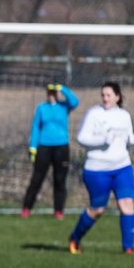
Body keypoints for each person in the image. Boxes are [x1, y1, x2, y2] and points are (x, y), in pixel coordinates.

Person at [68, 81, 134, 255]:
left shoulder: (124, 116)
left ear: (117, 97)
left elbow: (127, 138)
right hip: (97, 169)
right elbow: (81, 138)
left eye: (109, 95)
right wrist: (102, 140)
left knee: (127, 204)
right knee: (97, 209)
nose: (105, 98)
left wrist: (131, 140)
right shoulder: (94, 114)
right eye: (103, 95)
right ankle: (75, 238)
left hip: (122, 167)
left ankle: (128, 248)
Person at [21, 83, 80, 219]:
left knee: (60, 180)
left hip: (61, 147)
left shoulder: (64, 106)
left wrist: (62, 89)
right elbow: (36, 127)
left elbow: (75, 101)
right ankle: (26, 208)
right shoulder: (42, 108)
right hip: (44, 147)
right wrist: (33, 147)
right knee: (37, 179)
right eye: (49, 92)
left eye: (54, 92)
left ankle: (58, 210)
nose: (51, 95)